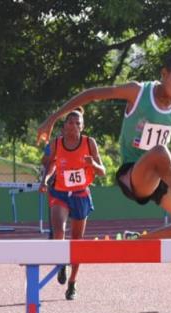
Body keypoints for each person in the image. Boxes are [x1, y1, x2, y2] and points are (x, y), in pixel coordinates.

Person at [36, 53, 171, 240]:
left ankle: (140, 240)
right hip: (132, 175)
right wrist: (52, 119)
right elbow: (91, 95)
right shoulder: (137, 92)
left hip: (159, 179)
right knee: (160, 151)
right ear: (164, 74)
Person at [38, 108, 106, 300]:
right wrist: (45, 180)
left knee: (77, 242)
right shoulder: (56, 143)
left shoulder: (89, 143)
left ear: (82, 127)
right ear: (64, 125)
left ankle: (72, 283)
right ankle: (61, 264)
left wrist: (92, 164)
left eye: (78, 123)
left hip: (81, 195)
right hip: (59, 193)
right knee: (58, 230)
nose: (74, 126)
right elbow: (49, 163)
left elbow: (103, 172)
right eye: (70, 122)